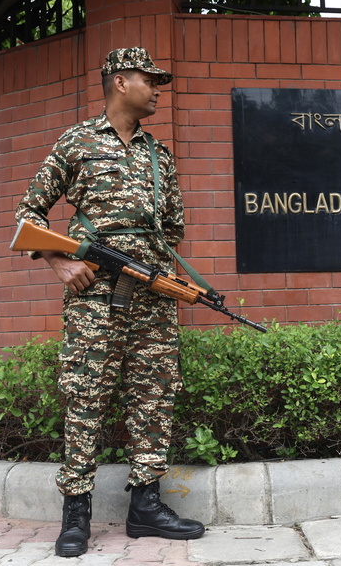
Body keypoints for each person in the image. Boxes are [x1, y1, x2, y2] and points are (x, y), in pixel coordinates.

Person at [14, 47, 205, 558]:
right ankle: (76, 512)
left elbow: (173, 228)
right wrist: (59, 262)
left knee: (155, 396)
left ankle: (146, 506)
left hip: (152, 298)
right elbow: (28, 212)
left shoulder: (158, 154)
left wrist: (163, 278)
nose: (159, 88)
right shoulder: (77, 142)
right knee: (87, 397)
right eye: (151, 79)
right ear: (121, 82)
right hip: (94, 299)